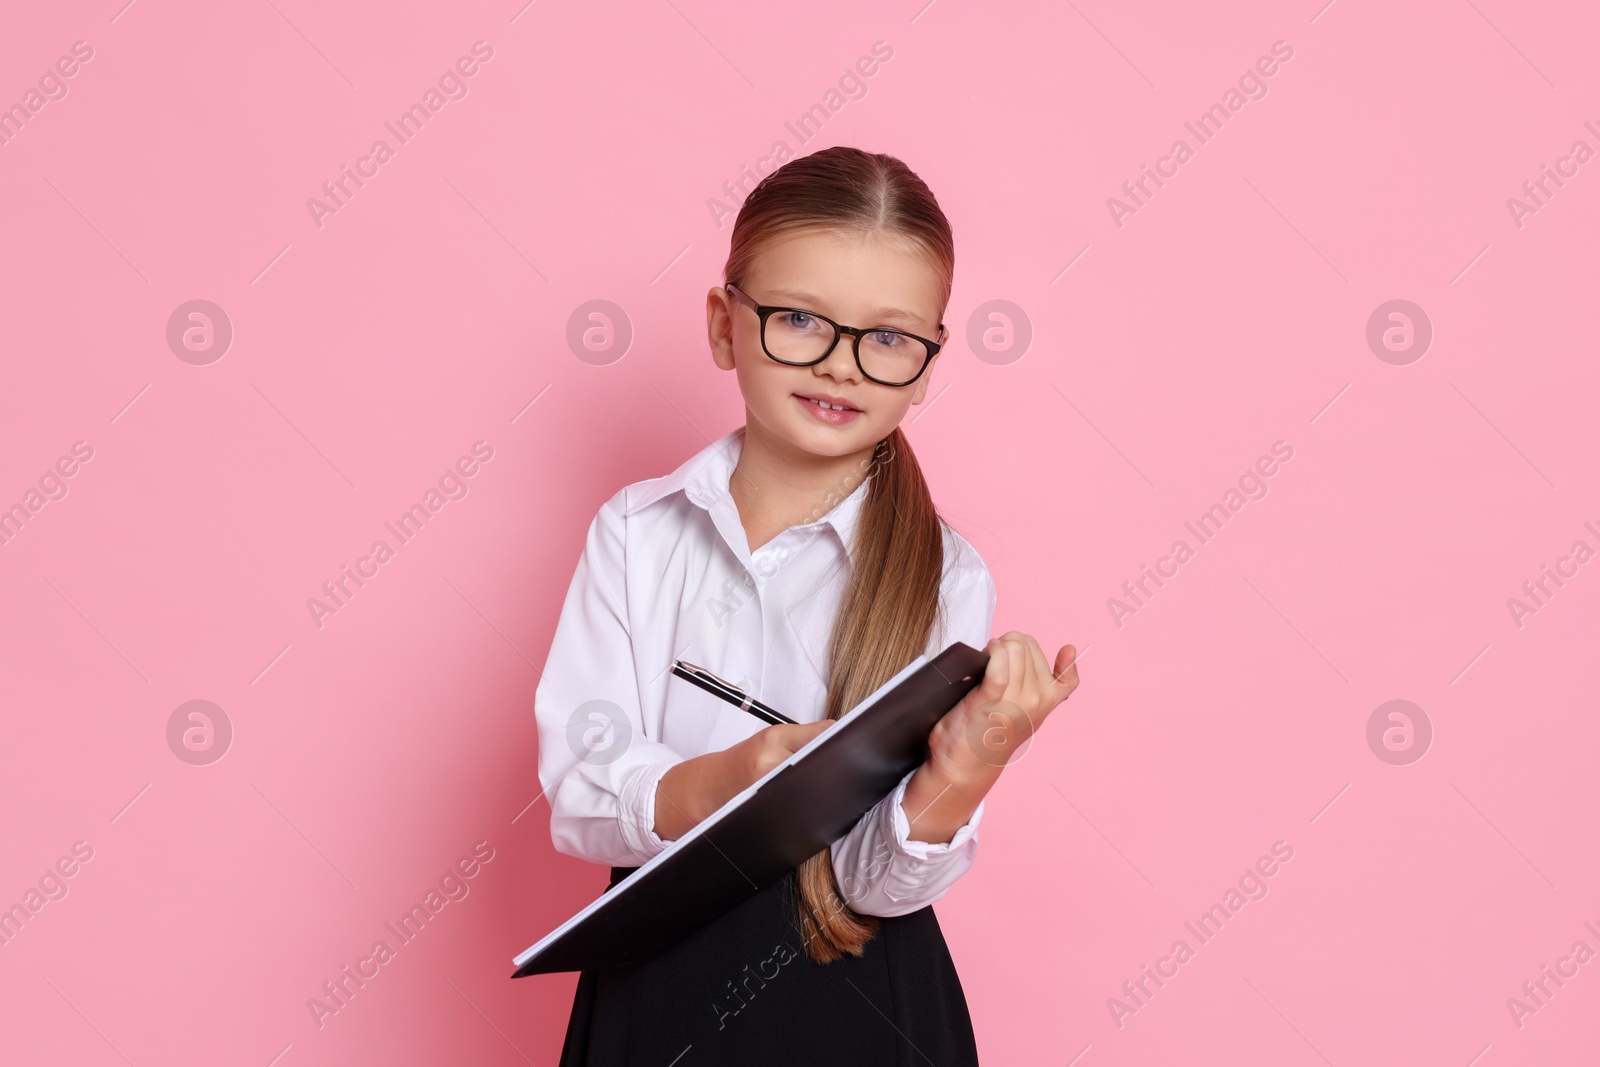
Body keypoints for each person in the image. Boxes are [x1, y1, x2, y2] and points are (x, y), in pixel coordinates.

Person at [535, 144, 1080, 1065]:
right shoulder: (636, 533)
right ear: (723, 324)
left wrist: (970, 766)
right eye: (798, 318)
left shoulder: (948, 571)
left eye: (890, 338)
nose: (842, 365)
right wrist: (738, 777)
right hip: (656, 986)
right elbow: (580, 791)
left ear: (930, 357)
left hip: (863, 998)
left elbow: (880, 882)